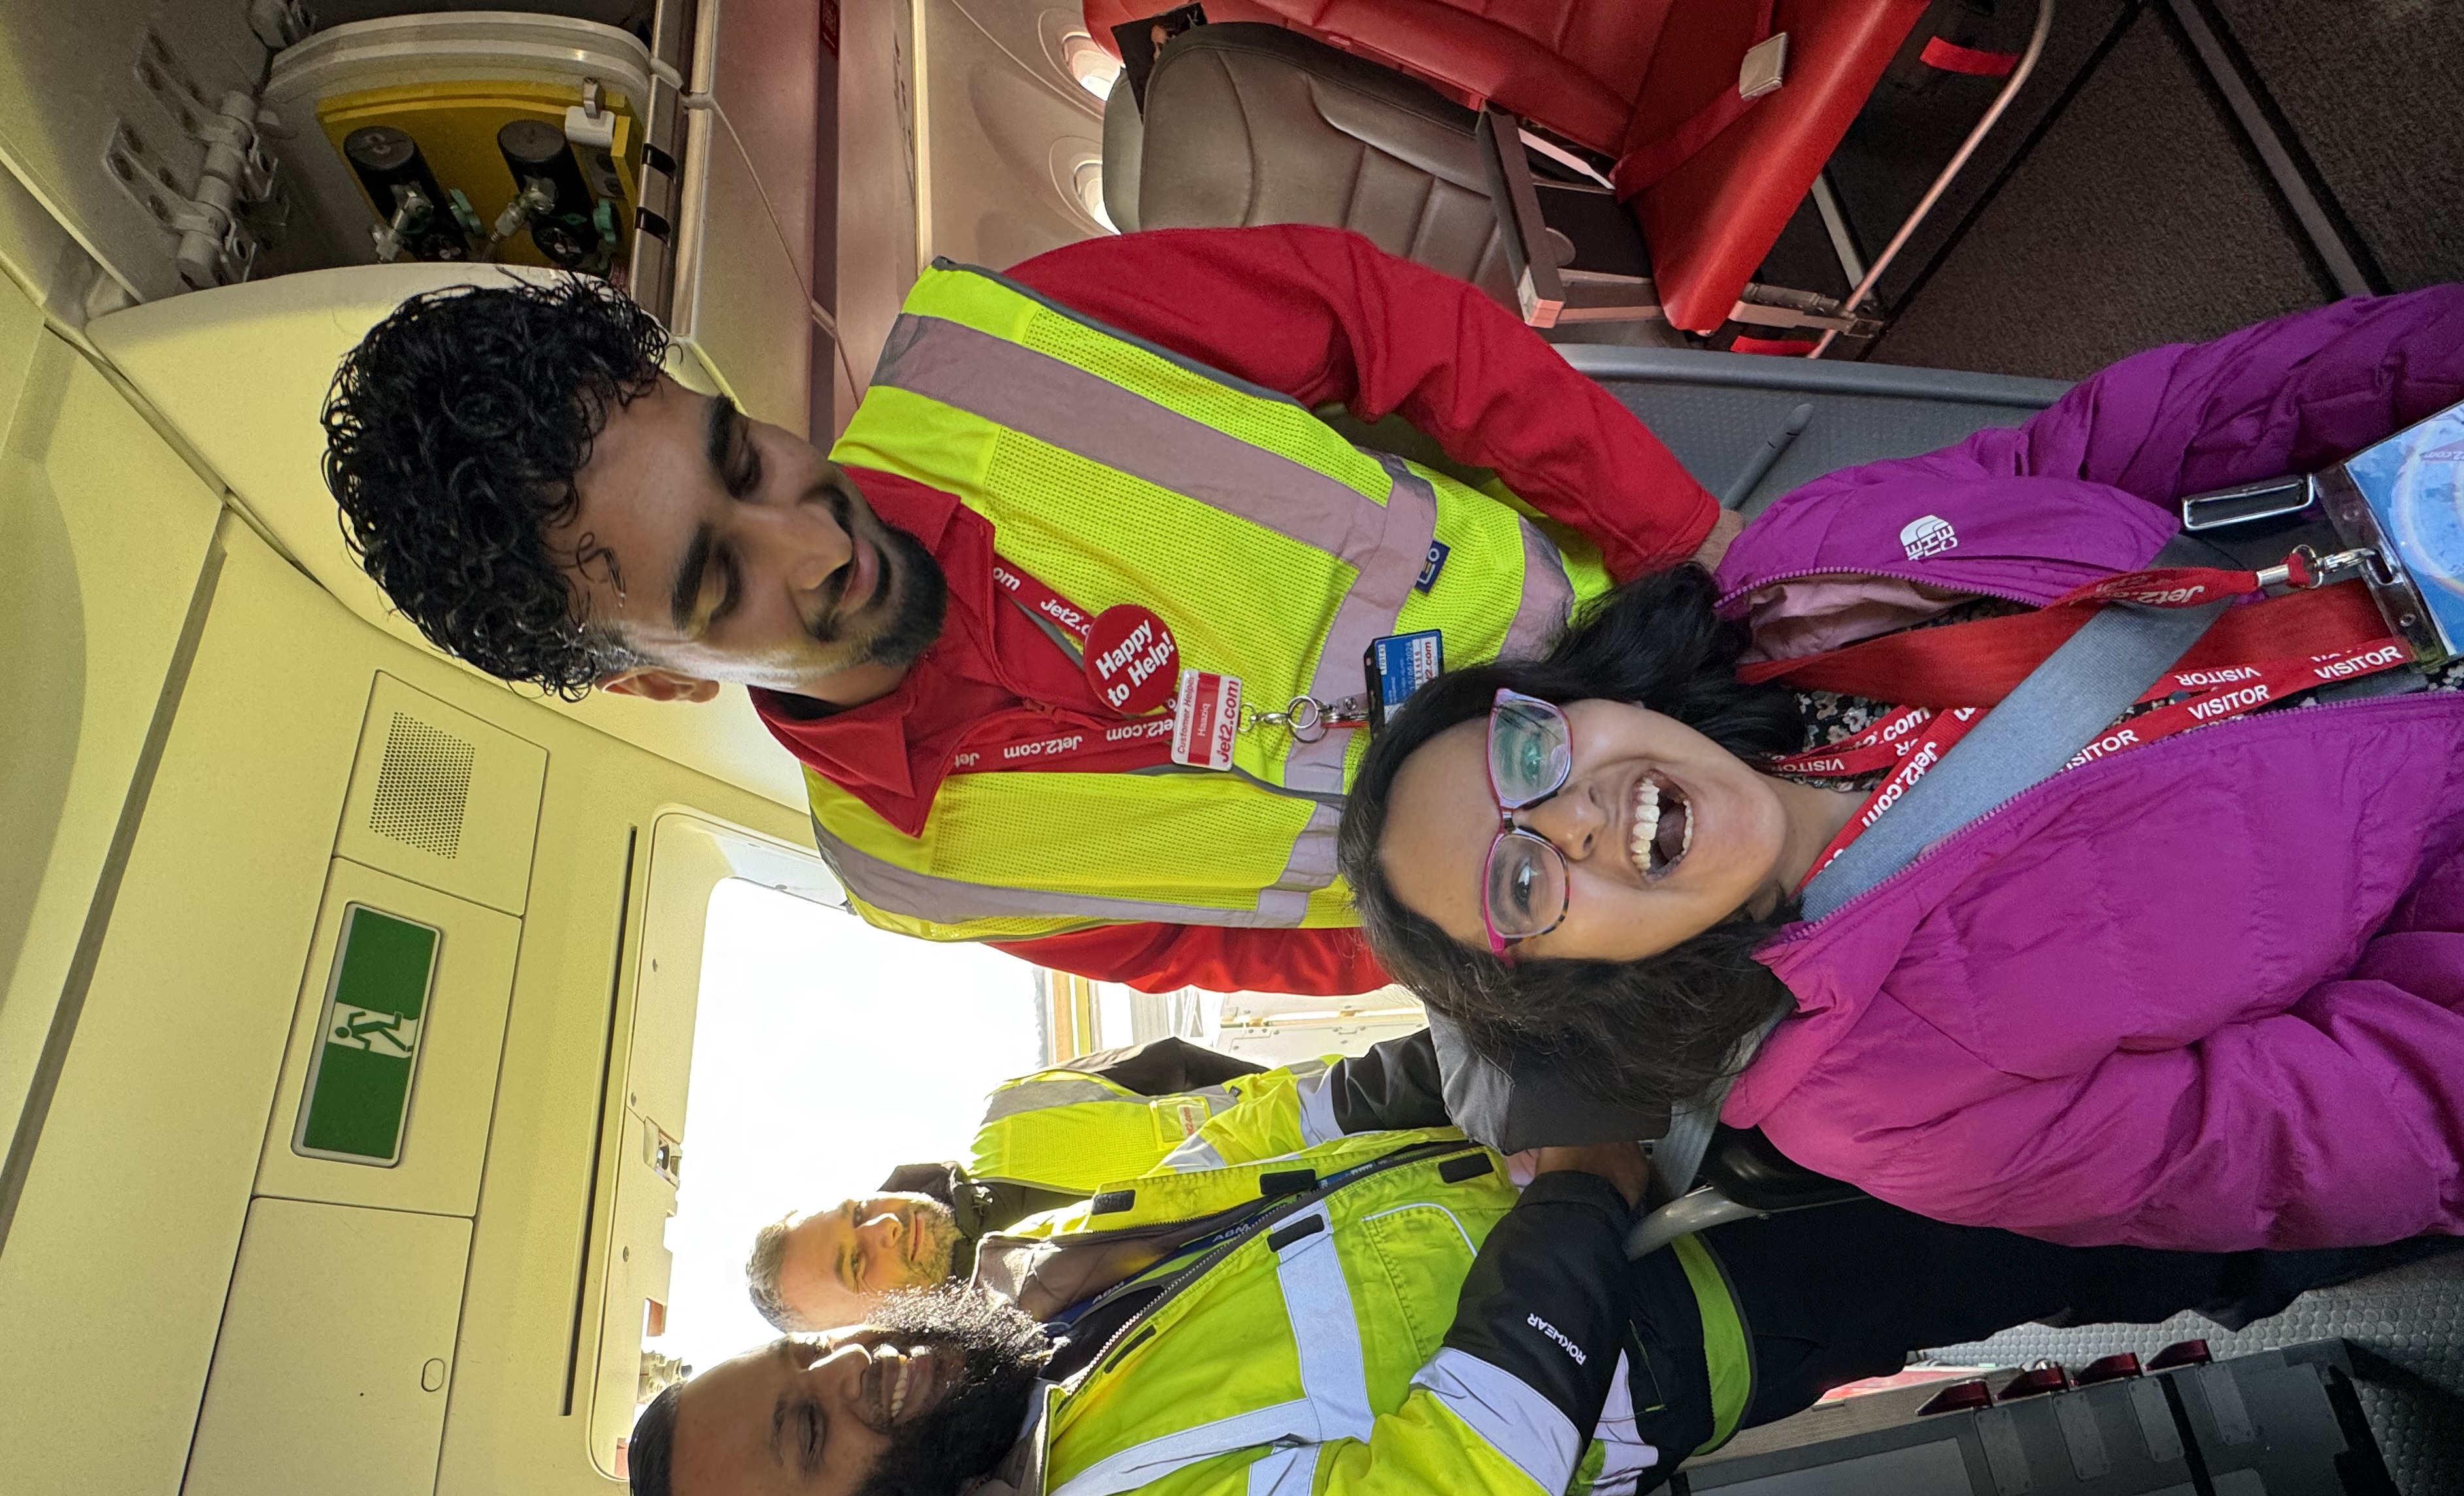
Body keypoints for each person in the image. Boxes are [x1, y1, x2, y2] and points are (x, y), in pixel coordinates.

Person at [625, 1030, 2442, 1496]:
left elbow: (1281, 1145)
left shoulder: (1035, 1336)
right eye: (811, 1425)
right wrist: (1574, 1205)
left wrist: (1485, 1049)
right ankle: (2457, 1160)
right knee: (2084, 1234)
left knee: (2027, 1085)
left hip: (1592, 1166)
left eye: (814, 1354)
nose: (857, 1364)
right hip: (1657, 1318)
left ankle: (2386, 1059)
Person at [1338, 273, 2464, 1254]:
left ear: (1576, 697)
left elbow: (2166, 424)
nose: (1569, 819)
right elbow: (2440, 1093)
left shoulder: (1806, 570)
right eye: (1520, 886)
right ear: (1581, 986)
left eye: (1528, 755)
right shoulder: (1889, 1107)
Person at [319, 226, 1734, 1000]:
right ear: (657, 681)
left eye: (746, 459)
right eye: (717, 582)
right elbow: (1244, 949)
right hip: (1587, 915)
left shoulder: (998, 349)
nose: (812, 539)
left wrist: (1690, 550)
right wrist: (1516, 954)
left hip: (1673, 628)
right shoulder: (906, 876)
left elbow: (1388, 326)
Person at [747, 1037, 1316, 1331]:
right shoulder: (1017, 1363)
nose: (886, 1225)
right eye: (856, 1263)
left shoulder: (1011, 1111)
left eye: (857, 1213)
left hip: (1363, 1112)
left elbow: (1179, 1063)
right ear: (866, 1329)